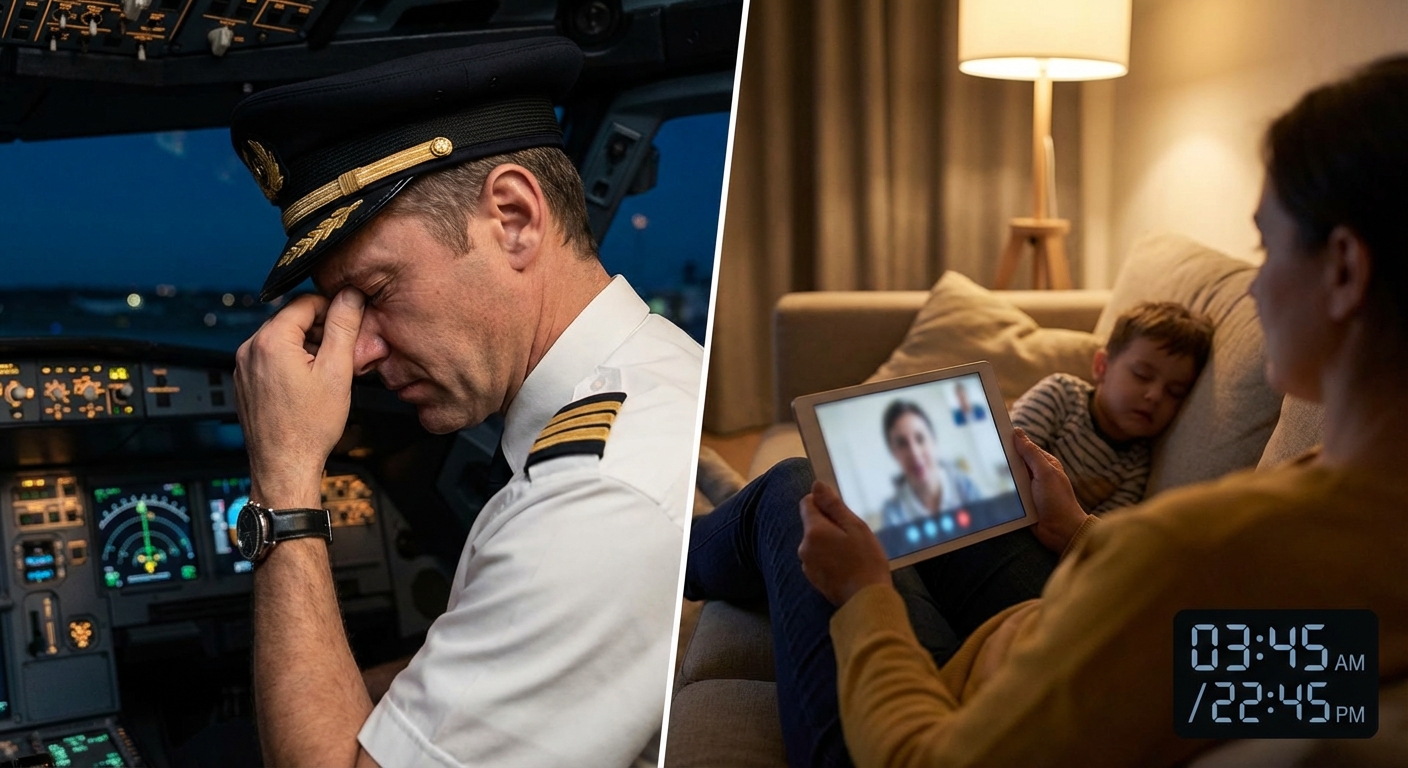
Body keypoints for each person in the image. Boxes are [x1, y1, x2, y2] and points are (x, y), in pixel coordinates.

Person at [688, 55, 1408, 767]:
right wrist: (1084, 536)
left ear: (1343, 270)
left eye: (1266, 247)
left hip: (927, 720)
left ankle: (671, 561)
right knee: (958, 494)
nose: (1253, 291)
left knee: (796, 488)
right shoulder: (1363, 522)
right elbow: (1221, 669)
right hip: (1056, 651)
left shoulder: (1186, 552)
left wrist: (864, 593)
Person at [229, 40, 700, 768]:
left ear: (513, 217)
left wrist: (285, 475)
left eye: (377, 294)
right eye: (342, 313)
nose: (356, 354)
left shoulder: (599, 502)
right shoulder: (651, 374)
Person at [1013, 301, 1212, 515]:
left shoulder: (1136, 466)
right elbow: (1008, 459)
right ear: (1102, 367)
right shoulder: (1059, 395)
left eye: (1175, 392)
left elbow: (1097, 535)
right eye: (1142, 375)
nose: (1155, 396)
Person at [878, 400, 982, 527]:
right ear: (893, 453)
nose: (914, 453)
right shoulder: (892, 513)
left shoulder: (965, 486)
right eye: (902, 443)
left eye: (920, 439)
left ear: (933, 440)